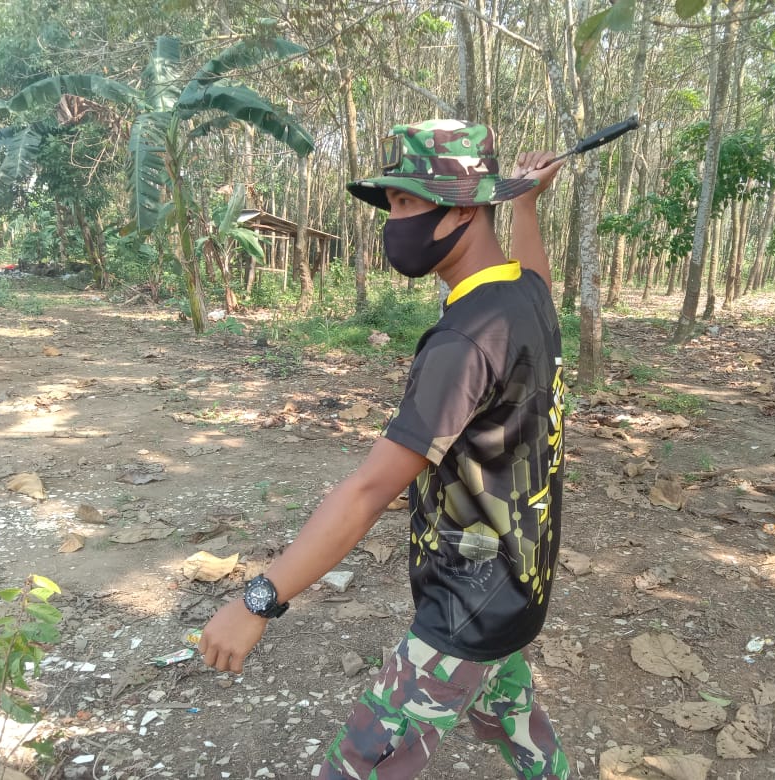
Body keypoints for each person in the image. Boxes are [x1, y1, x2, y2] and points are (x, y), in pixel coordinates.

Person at [199, 119, 568, 780]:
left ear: (461, 209)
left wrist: (260, 599)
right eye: (391, 204)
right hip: (518, 586)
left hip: (465, 608)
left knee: (360, 766)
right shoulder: (524, 298)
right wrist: (526, 206)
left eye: (404, 202)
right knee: (514, 720)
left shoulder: (464, 342)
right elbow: (536, 275)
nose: (392, 222)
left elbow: (369, 490)